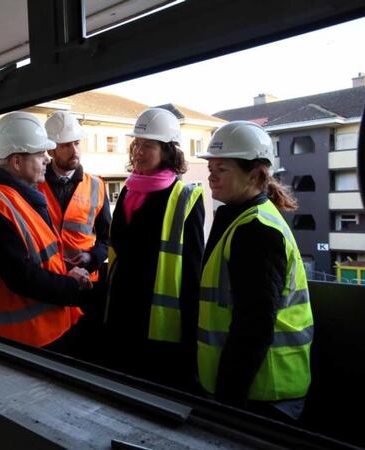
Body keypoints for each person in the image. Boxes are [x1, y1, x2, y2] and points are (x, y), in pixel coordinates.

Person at [196, 120, 314, 422]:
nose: (211, 176)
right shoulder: (240, 219)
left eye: (222, 169)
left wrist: (227, 398)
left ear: (254, 174)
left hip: (263, 393)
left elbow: (255, 325)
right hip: (252, 390)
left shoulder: (256, 230)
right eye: (210, 168)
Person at [0, 111, 93, 351]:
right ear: (17, 162)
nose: (47, 159)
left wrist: (67, 270)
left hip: (47, 331)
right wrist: (71, 285)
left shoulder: (24, 199)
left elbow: (39, 258)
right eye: (40, 153)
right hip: (22, 342)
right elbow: (21, 276)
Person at [103, 107, 205, 388]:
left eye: (148, 145)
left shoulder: (185, 197)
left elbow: (192, 268)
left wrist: (191, 331)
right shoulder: (128, 189)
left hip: (158, 319)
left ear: (167, 151)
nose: (138, 152)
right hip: (122, 309)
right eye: (136, 144)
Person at [37, 111, 112, 360]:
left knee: (87, 351)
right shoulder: (34, 185)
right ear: (51, 150)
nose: (74, 150)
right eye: (66, 145)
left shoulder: (96, 185)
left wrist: (91, 258)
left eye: (77, 143)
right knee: (56, 352)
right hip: (51, 282)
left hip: (87, 285)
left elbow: (107, 238)